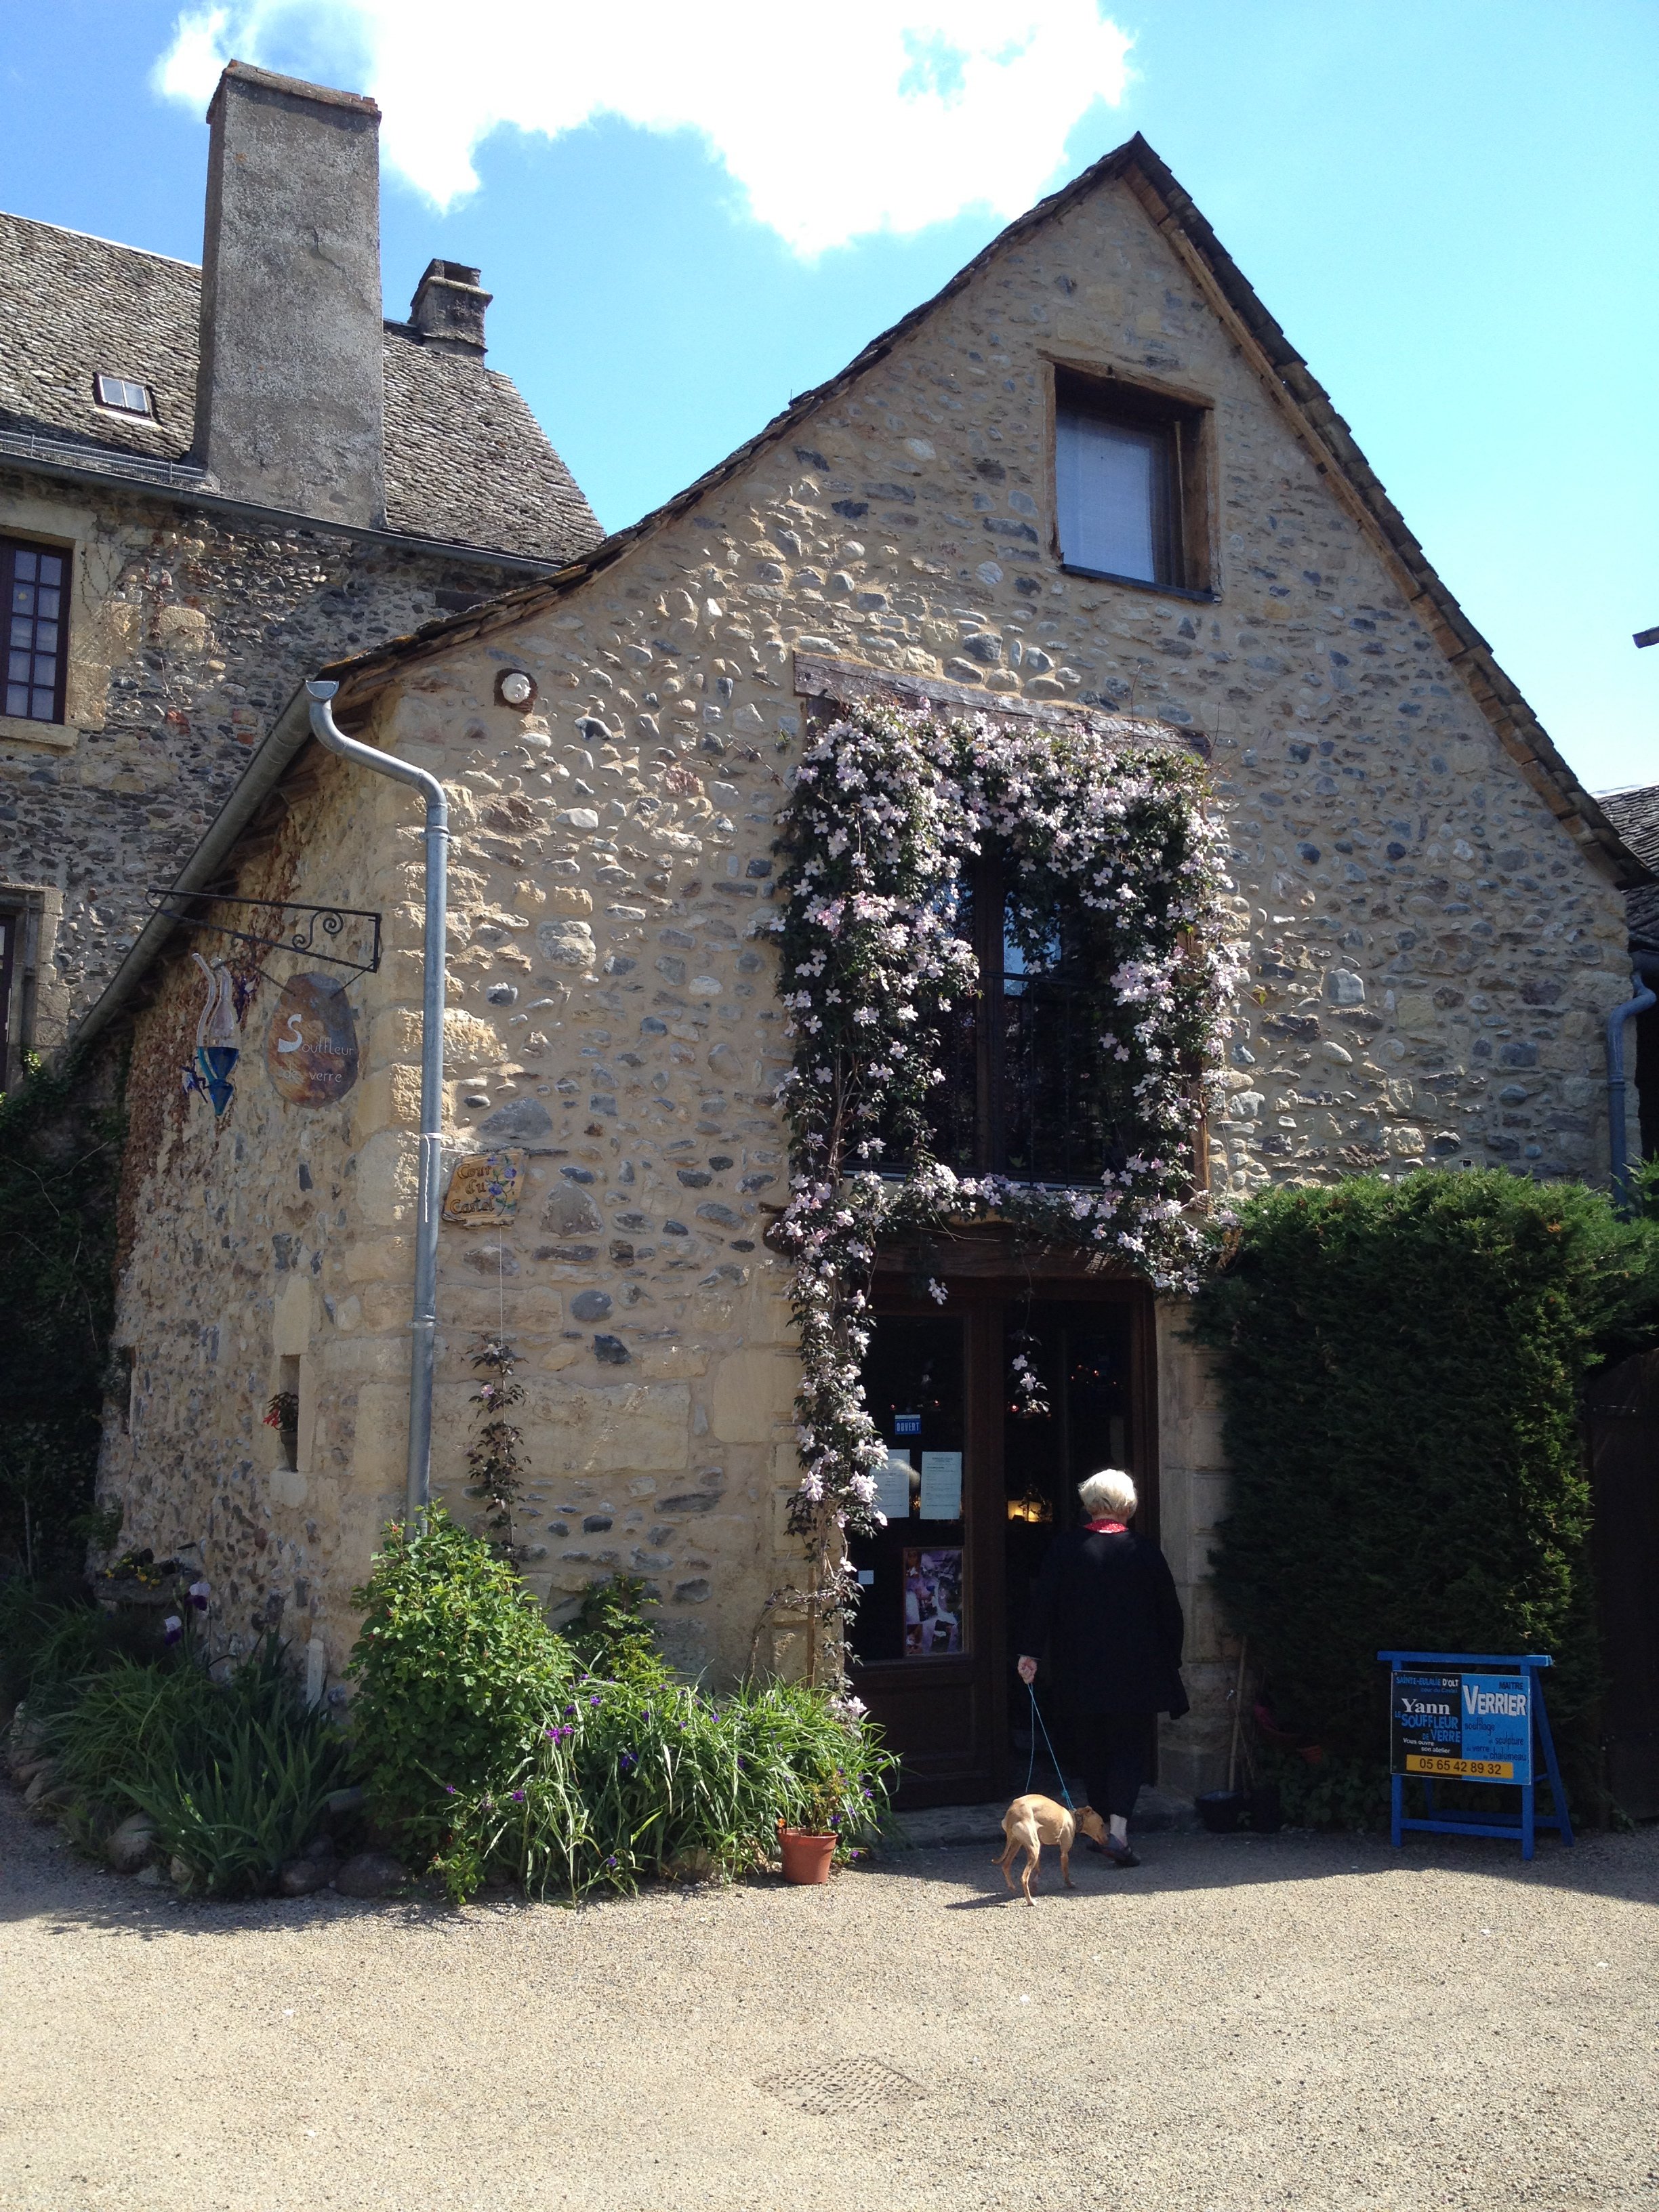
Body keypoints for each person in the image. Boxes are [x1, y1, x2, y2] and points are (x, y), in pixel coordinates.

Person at [1017, 1468, 1187, 1869]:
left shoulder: (1065, 1548)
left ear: (1089, 1505)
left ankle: (1099, 1830)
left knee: (1092, 1746)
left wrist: (1031, 1653)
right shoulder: (1144, 1551)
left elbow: (1042, 1604)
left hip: (1081, 1670)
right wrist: (1170, 1658)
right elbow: (1171, 1614)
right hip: (1136, 1671)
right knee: (1129, 1748)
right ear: (1128, 1505)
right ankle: (1118, 1833)